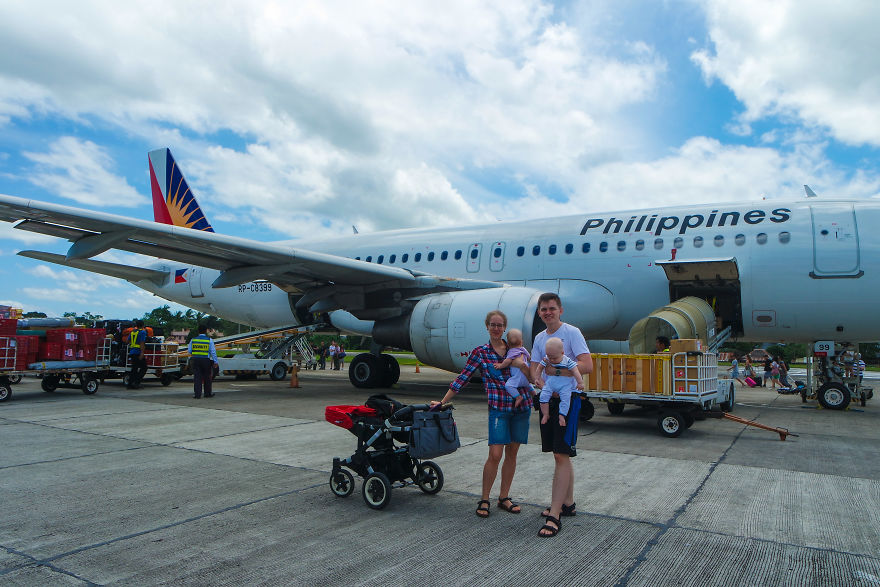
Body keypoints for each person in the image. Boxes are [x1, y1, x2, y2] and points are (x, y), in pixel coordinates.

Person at [434, 310, 533, 520]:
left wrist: (521, 365)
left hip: (520, 407)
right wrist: (443, 401)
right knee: (495, 455)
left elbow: (531, 376)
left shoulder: (515, 349)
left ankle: (504, 497)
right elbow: (463, 378)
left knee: (512, 454)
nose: (496, 328)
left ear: (505, 327)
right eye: (493, 325)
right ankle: (485, 498)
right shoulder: (481, 352)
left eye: (500, 325)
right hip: (498, 408)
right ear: (487, 327)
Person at [530, 293, 592, 538]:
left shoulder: (572, 333)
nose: (548, 312)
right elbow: (536, 367)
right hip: (548, 400)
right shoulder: (539, 338)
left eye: (552, 308)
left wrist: (557, 373)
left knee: (561, 453)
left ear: (560, 310)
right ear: (539, 313)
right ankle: (568, 504)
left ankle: (555, 514)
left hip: (568, 401)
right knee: (561, 454)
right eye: (543, 309)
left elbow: (587, 365)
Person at [538, 337, 584, 426]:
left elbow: (575, 371)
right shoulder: (547, 358)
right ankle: (545, 414)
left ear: (562, 353)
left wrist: (580, 382)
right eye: (549, 357)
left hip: (565, 386)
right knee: (543, 396)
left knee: (566, 400)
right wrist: (537, 378)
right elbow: (539, 368)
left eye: (554, 358)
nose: (551, 360)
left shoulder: (567, 361)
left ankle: (562, 415)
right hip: (550, 384)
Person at [492, 328, 532, 408]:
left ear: (508, 344)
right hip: (526, 377)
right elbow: (529, 357)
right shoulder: (523, 349)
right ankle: (534, 393)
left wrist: (501, 365)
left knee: (509, 385)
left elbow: (508, 361)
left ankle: (518, 397)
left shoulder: (512, 351)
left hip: (518, 376)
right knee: (528, 385)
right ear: (521, 342)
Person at [188, 324, 218, 398]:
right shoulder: (209, 340)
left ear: (198, 331)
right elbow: (213, 352)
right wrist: (215, 362)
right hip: (205, 360)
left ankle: (197, 394)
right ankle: (207, 394)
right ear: (206, 331)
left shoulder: (193, 339)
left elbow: (189, 351)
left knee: (197, 377)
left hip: (196, 360)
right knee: (207, 377)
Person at [127, 319, 148, 389]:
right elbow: (142, 342)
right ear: (143, 325)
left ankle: (130, 384)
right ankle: (136, 382)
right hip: (138, 352)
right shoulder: (142, 332)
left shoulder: (132, 332)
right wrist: (142, 353)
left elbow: (128, 340)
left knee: (134, 368)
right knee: (144, 367)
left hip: (132, 352)